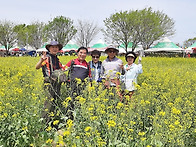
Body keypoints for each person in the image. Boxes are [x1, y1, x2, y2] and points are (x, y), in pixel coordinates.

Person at [35, 41, 64, 128]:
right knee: (48, 104)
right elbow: (37, 67)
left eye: (56, 47)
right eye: (52, 47)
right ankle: (44, 125)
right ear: (49, 49)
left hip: (56, 84)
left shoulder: (57, 59)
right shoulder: (46, 58)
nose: (54, 49)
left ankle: (52, 124)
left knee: (54, 103)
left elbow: (60, 69)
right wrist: (41, 60)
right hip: (49, 83)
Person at [65, 46, 91, 119]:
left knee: (79, 103)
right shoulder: (72, 62)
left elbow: (89, 77)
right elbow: (64, 69)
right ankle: (69, 119)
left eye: (84, 53)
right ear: (77, 53)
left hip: (82, 87)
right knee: (70, 102)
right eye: (81, 52)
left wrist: (89, 87)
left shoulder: (87, 65)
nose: (82, 55)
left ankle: (78, 118)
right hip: (71, 86)